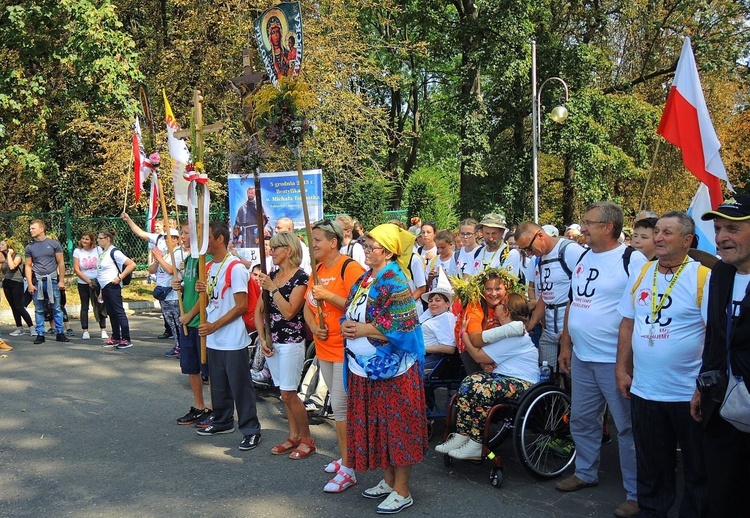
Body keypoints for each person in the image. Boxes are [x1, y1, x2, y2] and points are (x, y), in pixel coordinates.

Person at [556, 201, 647, 518]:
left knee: (626, 428)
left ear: (608, 226)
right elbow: (572, 302)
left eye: (588, 222)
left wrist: (628, 362)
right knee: (582, 418)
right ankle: (585, 472)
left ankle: (637, 493)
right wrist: (566, 345)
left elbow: (639, 310)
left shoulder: (631, 259)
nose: (582, 227)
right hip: (582, 357)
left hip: (613, 360)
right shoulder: (582, 256)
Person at [616, 211, 709, 517]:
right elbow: (628, 324)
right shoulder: (643, 272)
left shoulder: (702, 277)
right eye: (656, 231)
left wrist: (704, 386)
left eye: (667, 232)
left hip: (687, 394)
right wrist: (621, 368)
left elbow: (715, 335)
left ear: (687, 240)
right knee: (652, 466)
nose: (658, 237)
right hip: (646, 390)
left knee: (697, 469)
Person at [341, 223, 427, 514]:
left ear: (389, 252)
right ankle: (389, 482)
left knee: (399, 427)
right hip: (366, 369)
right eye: (365, 244)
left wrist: (362, 329)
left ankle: (402, 491)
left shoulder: (396, 281)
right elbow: (352, 308)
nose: (366, 249)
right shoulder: (367, 278)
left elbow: (404, 326)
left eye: (371, 246)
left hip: (394, 372)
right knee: (381, 426)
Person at [690, 195, 750, 517]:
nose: (722, 237)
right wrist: (701, 386)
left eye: (733, 229)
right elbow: (714, 336)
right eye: (717, 229)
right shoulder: (722, 274)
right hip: (722, 405)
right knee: (724, 493)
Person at [303, 219, 365, 492]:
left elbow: (362, 303)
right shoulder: (316, 270)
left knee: (340, 409)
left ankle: (349, 469)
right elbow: (308, 305)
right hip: (324, 348)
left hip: (346, 351)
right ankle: (345, 457)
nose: (312, 244)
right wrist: (315, 326)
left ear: (333, 242)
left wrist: (328, 294)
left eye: (317, 239)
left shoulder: (349, 268)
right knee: (338, 408)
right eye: (312, 239)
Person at [435, 292, 537, 459]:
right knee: (470, 381)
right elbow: (482, 358)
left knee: (485, 389)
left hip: (523, 382)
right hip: (504, 377)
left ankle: (476, 442)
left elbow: (478, 356)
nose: (496, 305)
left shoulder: (514, 333)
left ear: (506, 311)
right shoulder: (504, 330)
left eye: (500, 304)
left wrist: (464, 334)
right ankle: (462, 434)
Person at [195, 222, 262, 451]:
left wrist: (215, 325)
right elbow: (212, 298)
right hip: (214, 338)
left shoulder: (235, 268)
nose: (203, 242)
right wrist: (201, 290)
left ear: (220, 239)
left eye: (207, 238)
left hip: (232, 338)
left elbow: (241, 306)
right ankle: (222, 420)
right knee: (219, 384)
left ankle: (251, 429)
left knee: (240, 386)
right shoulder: (209, 266)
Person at [255, 231, 313, 459]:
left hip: (291, 342)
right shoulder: (272, 275)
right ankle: (293, 436)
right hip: (272, 343)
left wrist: (272, 289)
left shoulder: (301, 277)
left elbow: (290, 312)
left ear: (288, 250)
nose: (271, 251)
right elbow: (259, 311)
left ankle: (307, 438)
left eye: (276, 247)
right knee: (283, 393)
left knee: (289, 393)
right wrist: (262, 338)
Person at [515, 221, 585, 370]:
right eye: (524, 250)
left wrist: (569, 333)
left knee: (570, 378)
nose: (528, 253)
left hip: (570, 333)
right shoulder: (541, 258)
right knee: (547, 375)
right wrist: (531, 323)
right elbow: (546, 295)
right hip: (548, 332)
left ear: (540, 235)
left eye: (528, 248)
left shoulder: (570, 251)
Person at [173, 223, 212, 427]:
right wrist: (179, 286)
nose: (182, 236)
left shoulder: (204, 260)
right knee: (191, 368)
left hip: (201, 323)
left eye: (186, 233)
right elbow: (190, 287)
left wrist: (190, 315)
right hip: (187, 322)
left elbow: (205, 293)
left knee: (210, 369)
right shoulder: (188, 260)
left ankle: (216, 409)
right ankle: (199, 407)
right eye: (182, 233)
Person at [460, 268, 525, 375]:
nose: (494, 294)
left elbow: (523, 320)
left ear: (506, 288)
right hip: (471, 348)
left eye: (498, 289)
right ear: (481, 290)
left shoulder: (510, 301)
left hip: (502, 349)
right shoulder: (475, 306)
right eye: (488, 289)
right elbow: (475, 340)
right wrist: (483, 363)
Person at [122, 212, 174, 340]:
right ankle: (169, 330)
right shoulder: (158, 239)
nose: (169, 227)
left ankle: (180, 339)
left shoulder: (177, 240)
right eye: (167, 225)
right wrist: (129, 219)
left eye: (171, 225)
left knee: (177, 313)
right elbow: (140, 233)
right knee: (166, 310)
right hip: (162, 280)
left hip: (175, 279)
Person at [25, 220, 68, 344]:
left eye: (33, 228)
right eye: (30, 228)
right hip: (37, 281)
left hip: (53, 280)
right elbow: (28, 266)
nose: (31, 230)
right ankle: (40, 334)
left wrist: (61, 281)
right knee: (39, 309)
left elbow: (60, 262)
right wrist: (30, 284)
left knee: (57, 308)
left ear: (41, 229)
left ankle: (60, 333)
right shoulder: (29, 247)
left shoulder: (54, 244)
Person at [95, 229, 136, 349]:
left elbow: (131, 264)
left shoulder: (114, 251)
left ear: (108, 239)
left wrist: (120, 277)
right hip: (105, 286)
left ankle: (126, 338)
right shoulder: (103, 252)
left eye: (100, 238)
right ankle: (116, 337)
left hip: (113, 285)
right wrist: (102, 291)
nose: (98, 240)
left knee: (119, 312)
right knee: (111, 313)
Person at [149, 229, 185, 358]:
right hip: (163, 293)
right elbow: (151, 270)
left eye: (169, 238)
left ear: (175, 239)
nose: (166, 241)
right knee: (171, 322)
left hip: (174, 294)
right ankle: (177, 345)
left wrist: (160, 259)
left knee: (178, 322)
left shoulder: (178, 254)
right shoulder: (165, 254)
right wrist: (157, 260)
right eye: (165, 238)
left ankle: (182, 347)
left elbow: (171, 271)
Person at [464, 213, 524, 280]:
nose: (490, 238)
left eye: (494, 233)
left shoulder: (511, 254)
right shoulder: (476, 252)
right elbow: (466, 278)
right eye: (487, 233)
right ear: (482, 232)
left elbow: (508, 284)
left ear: (502, 232)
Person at [72, 231, 108, 340]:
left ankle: (103, 329)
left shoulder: (98, 250)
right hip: (83, 282)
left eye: (87, 239)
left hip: (97, 281)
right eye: (82, 238)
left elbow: (103, 265)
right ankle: (85, 331)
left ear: (91, 241)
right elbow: (77, 270)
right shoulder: (77, 251)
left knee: (100, 304)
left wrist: (97, 281)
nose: (84, 241)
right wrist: (88, 281)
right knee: (84, 306)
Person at [1, 240, 34, 336]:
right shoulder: (3, 256)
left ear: (9, 246)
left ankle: (32, 327)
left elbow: (12, 266)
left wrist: (10, 253)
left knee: (19, 306)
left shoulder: (17, 256)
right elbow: (3, 270)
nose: (0, 246)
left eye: (2, 244)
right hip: (7, 283)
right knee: (13, 307)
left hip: (17, 283)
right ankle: (19, 328)